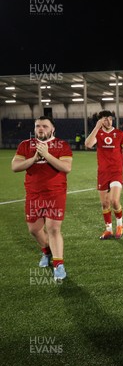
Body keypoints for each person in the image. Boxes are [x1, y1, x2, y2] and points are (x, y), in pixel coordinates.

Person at [11, 116, 72, 280]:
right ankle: (46, 250)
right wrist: (34, 159)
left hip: (55, 192)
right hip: (33, 194)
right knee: (34, 230)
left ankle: (59, 264)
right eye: (38, 126)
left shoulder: (62, 145)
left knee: (53, 229)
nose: (40, 129)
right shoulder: (25, 145)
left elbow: (67, 167)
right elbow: (15, 167)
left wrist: (47, 155)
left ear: (52, 129)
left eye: (45, 126)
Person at [85, 110, 123, 240]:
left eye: (110, 119)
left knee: (114, 200)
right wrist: (96, 127)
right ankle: (108, 229)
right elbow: (88, 144)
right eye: (105, 119)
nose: (109, 121)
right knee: (104, 204)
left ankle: (120, 225)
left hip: (116, 172)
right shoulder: (98, 133)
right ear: (101, 121)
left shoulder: (119, 134)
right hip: (102, 173)